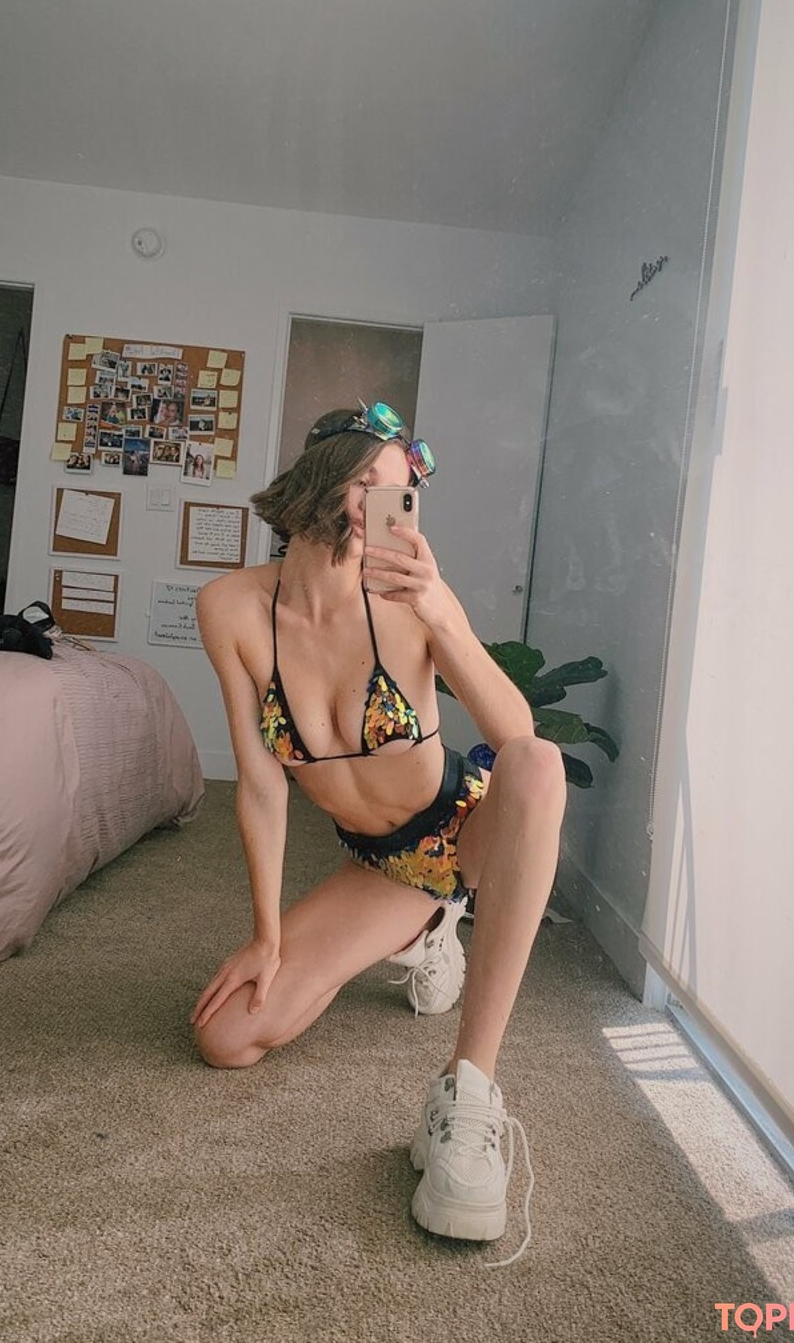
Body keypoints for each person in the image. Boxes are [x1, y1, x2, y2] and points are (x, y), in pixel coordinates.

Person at [191, 402, 567, 1261]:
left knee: (541, 765)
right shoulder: (230, 609)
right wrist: (266, 936)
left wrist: (439, 611)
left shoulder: (407, 600)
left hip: (465, 827)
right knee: (225, 1038)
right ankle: (428, 927)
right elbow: (261, 785)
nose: (378, 507)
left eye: (398, 493)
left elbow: (516, 736)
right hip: (386, 866)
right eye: (366, 482)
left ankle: (467, 1089)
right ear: (317, 478)